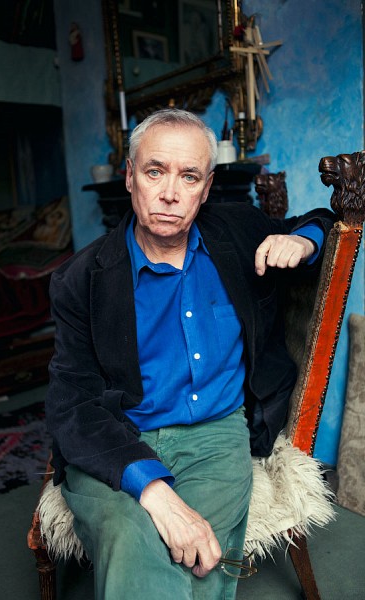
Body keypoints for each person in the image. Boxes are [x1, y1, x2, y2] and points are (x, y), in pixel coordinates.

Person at [45, 109, 335, 599]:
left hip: (216, 434)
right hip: (119, 434)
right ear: (130, 177)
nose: (170, 193)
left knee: (203, 556)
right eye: (155, 171)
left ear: (206, 187)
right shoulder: (81, 279)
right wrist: (154, 492)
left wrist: (302, 242)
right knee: (126, 536)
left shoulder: (237, 233)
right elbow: (72, 405)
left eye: (189, 176)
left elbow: (320, 222)